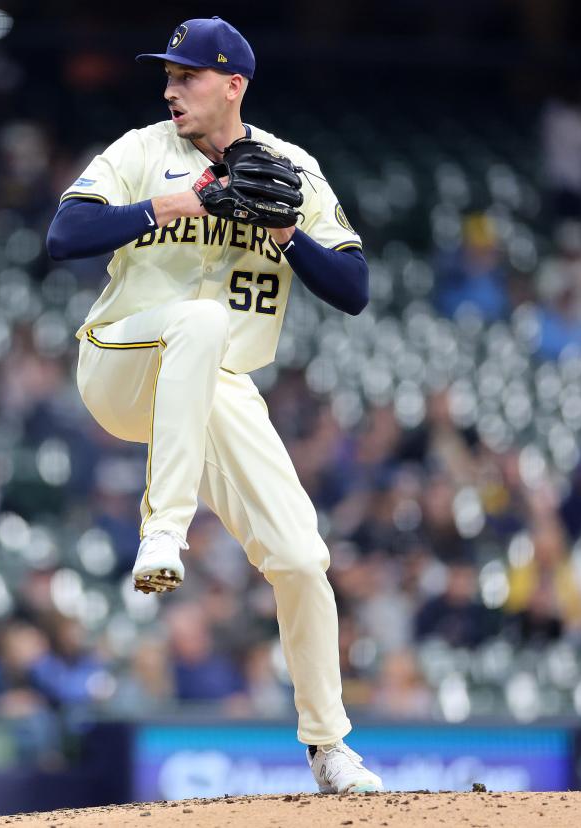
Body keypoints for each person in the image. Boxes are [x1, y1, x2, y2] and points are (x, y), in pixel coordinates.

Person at [45, 17, 381, 793]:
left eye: (187, 75)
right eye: (167, 74)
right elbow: (65, 235)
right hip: (121, 363)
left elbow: (354, 289)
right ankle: (162, 533)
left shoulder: (291, 167)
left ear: (234, 84)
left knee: (301, 556)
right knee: (198, 320)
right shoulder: (141, 152)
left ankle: (329, 748)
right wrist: (174, 205)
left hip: (214, 382)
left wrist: (287, 231)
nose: (169, 89)